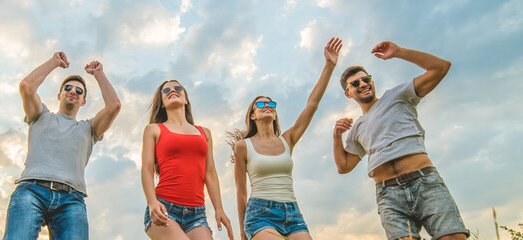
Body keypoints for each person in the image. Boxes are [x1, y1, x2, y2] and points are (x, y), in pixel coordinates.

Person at [332, 41, 468, 240]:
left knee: (452, 237)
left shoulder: (398, 96)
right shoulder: (357, 128)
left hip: (425, 182)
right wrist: (336, 135)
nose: (363, 84)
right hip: (388, 194)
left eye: (366, 79)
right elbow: (344, 166)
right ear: (348, 93)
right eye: (355, 83)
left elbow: (441, 67)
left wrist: (399, 52)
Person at [228, 38, 342, 240]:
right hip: (260, 214)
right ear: (252, 116)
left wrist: (329, 66)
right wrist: (242, 232)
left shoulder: (287, 139)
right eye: (261, 105)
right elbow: (241, 192)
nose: (268, 106)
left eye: (271, 103)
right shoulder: (243, 146)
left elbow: (312, 105)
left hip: (293, 213)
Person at [3, 51, 121, 240]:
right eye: (68, 88)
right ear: (59, 95)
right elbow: (26, 86)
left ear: (83, 101)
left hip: (71, 199)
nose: (73, 91)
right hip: (32, 190)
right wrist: (54, 62)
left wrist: (99, 73)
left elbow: (113, 106)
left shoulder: (89, 129)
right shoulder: (40, 115)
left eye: (79, 90)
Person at [140, 80, 234, 240]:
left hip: (197, 214)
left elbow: (210, 172)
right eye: (166, 90)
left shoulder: (204, 133)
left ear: (186, 99)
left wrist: (219, 208)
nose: (172, 90)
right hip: (164, 208)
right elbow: (146, 169)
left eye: (177, 88)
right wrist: (152, 202)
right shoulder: (154, 129)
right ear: (161, 103)